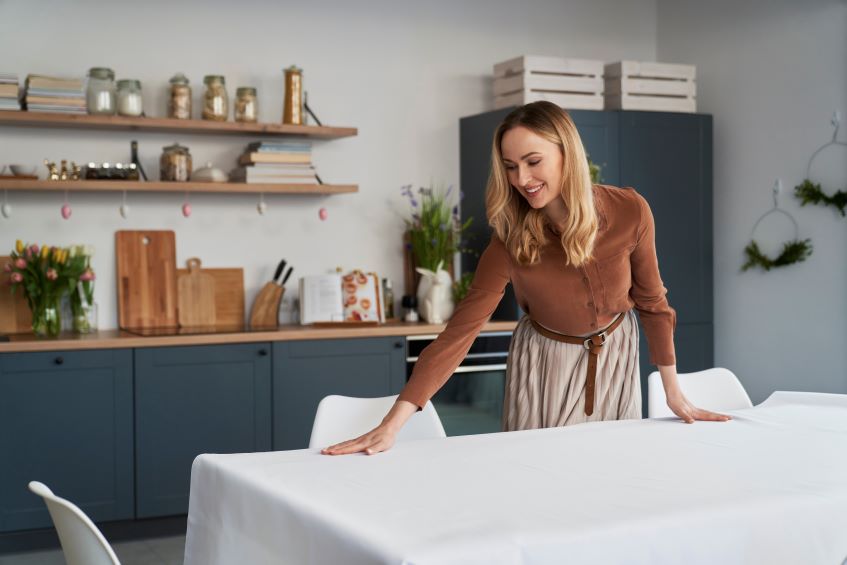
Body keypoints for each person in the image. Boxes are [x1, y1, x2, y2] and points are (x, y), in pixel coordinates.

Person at [322, 101, 730, 456]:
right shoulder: (510, 240)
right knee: (541, 478)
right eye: (511, 167)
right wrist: (393, 423)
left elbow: (653, 303)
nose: (521, 179)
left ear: (566, 153)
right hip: (544, 361)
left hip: (616, 354)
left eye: (533, 162)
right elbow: (459, 333)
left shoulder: (630, 210)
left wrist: (672, 391)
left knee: (611, 473)